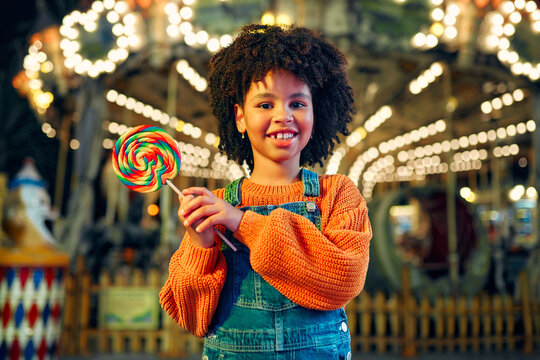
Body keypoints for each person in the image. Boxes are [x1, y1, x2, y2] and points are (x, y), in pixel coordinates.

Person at [159, 24, 372, 359]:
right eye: (265, 104)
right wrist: (201, 245)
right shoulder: (216, 206)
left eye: (298, 103)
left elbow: (343, 279)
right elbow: (191, 317)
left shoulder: (338, 194)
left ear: (316, 113)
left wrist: (241, 222)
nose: (283, 116)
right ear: (240, 117)